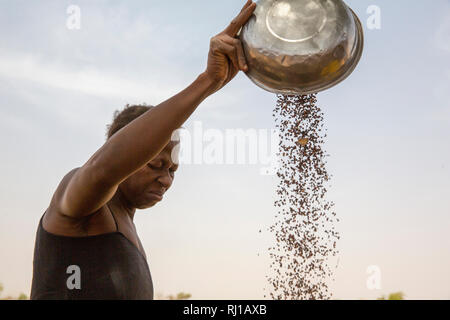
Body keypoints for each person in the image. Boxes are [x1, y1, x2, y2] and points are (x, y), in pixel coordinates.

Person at [30, 0, 257, 300]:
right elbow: (104, 168)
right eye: (155, 165)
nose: (166, 180)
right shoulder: (81, 203)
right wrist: (207, 82)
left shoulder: (129, 233)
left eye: (172, 170)